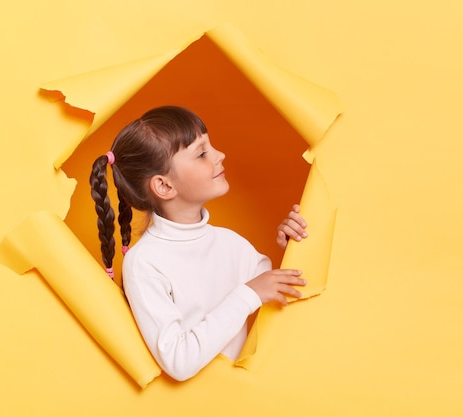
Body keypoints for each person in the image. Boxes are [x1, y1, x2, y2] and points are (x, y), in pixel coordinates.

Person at [90, 105, 309, 381]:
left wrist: (292, 246)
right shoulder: (144, 262)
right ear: (165, 186)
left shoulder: (231, 243)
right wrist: (248, 295)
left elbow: (286, 292)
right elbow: (178, 362)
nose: (220, 155)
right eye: (202, 153)